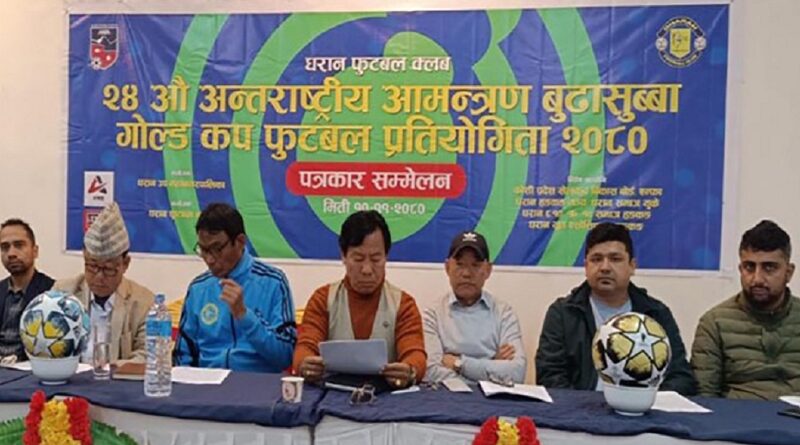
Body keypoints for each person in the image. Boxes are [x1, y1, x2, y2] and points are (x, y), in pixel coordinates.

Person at [535, 222, 696, 395]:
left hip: (644, 408)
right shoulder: (563, 313)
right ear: (586, 266)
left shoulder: (656, 313)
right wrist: (582, 406)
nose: (605, 267)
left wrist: (649, 401)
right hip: (580, 408)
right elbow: (550, 375)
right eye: (596, 259)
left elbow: (680, 377)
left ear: (632, 266)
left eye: (615, 259)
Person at [293, 210, 426, 389]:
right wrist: (304, 364)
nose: (367, 269)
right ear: (343, 256)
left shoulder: (403, 304)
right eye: (358, 259)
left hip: (386, 397)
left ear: (386, 256)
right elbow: (305, 347)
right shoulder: (323, 299)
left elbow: (415, 354)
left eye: (376, 259)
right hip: (331, 394)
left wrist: (410, 370)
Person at [174, 203, 296, 372]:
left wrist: (244, 315)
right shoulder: (198, 288)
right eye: (203, 250)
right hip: (207, 382)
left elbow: (285, 355)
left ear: (240, 242)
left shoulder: (274, 282)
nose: (209, 259)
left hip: (257, 383)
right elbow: (182, 355)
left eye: (217, 249)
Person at [692, 220, 799, 400]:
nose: (757, 279)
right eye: (749, 267)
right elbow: (705, 399)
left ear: (788, 273)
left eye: (769, 268)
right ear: (741, 269)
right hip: (736, 415)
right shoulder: (714, 323)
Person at [54, 203, 154, 364]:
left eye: (108, 269)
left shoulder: (144, 302)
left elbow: (148, 355)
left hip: (116, 379)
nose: (99, 277)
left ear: (125, 264)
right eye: (92, 266)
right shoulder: (63, 294)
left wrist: (106, 370)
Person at [423, 231, 526, 383]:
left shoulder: (504, 313)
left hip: (495, 398)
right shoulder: (432, 315)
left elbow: (517, 373)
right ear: (447, 267)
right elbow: (430, 372)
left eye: (475, 265)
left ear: (488, 270)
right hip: (448, 396)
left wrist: (460, 364)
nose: (466, 273)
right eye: (459, 264)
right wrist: (492, 367)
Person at [0, 219, 54, 362]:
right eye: (5, 247)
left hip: (31, 369)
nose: (11, 253)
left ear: (35, 251)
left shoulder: (51, 293)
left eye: (19, 245)